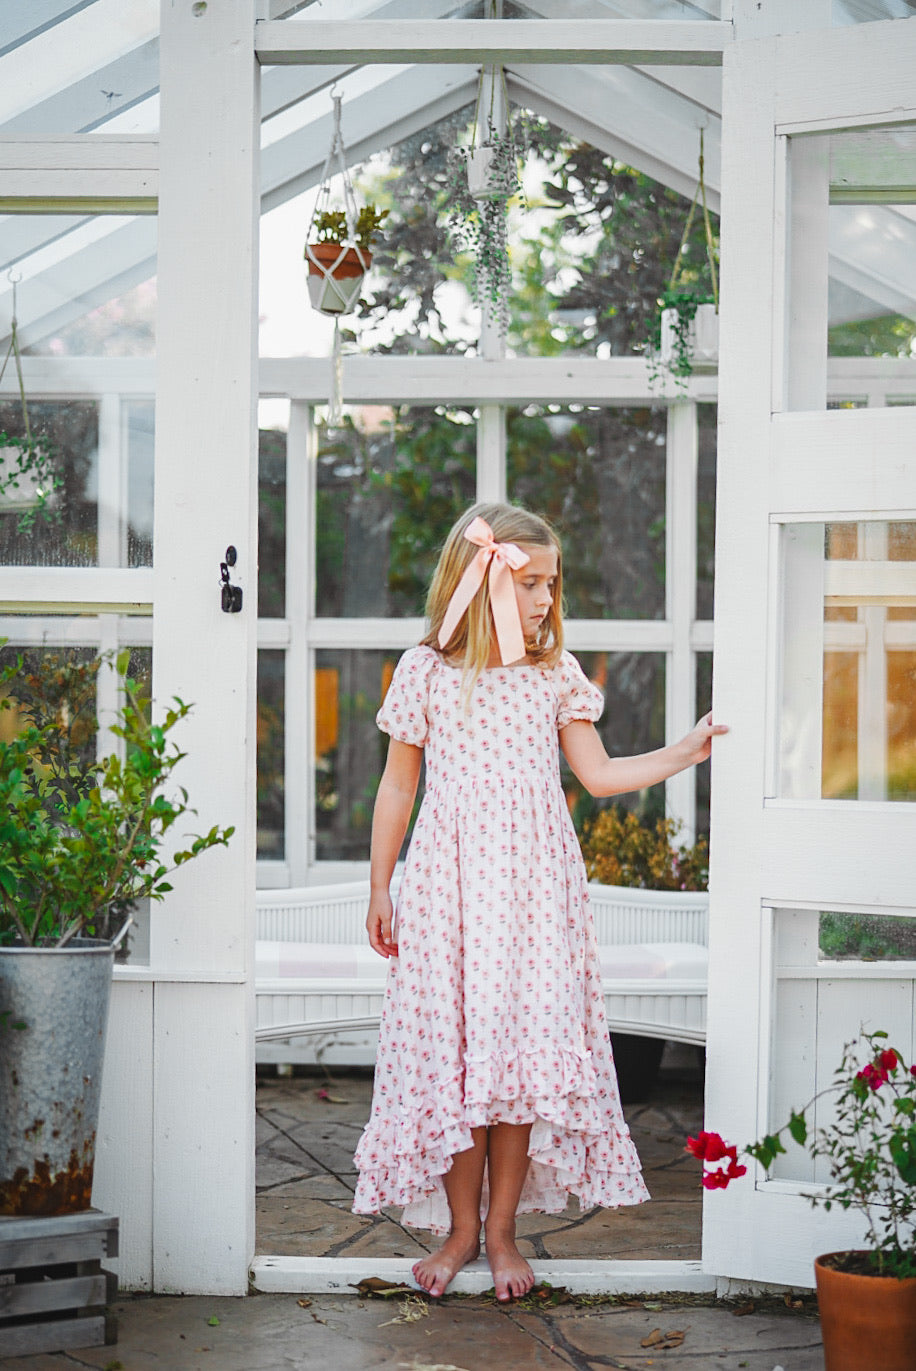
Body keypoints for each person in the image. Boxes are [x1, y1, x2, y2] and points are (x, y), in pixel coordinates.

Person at [352, 502, 727, 1301]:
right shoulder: (425, 670)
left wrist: (686, 751)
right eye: (536, 585)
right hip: (449, 892)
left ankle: (501, 1232)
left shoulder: (554, 673)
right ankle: (459, 1231)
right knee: (459, 1067)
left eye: (553, 585)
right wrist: (381, 883)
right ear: (484, 581)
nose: (548, 601)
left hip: (530, 896)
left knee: (517, 1063)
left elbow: (598, 775)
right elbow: (397, 785)